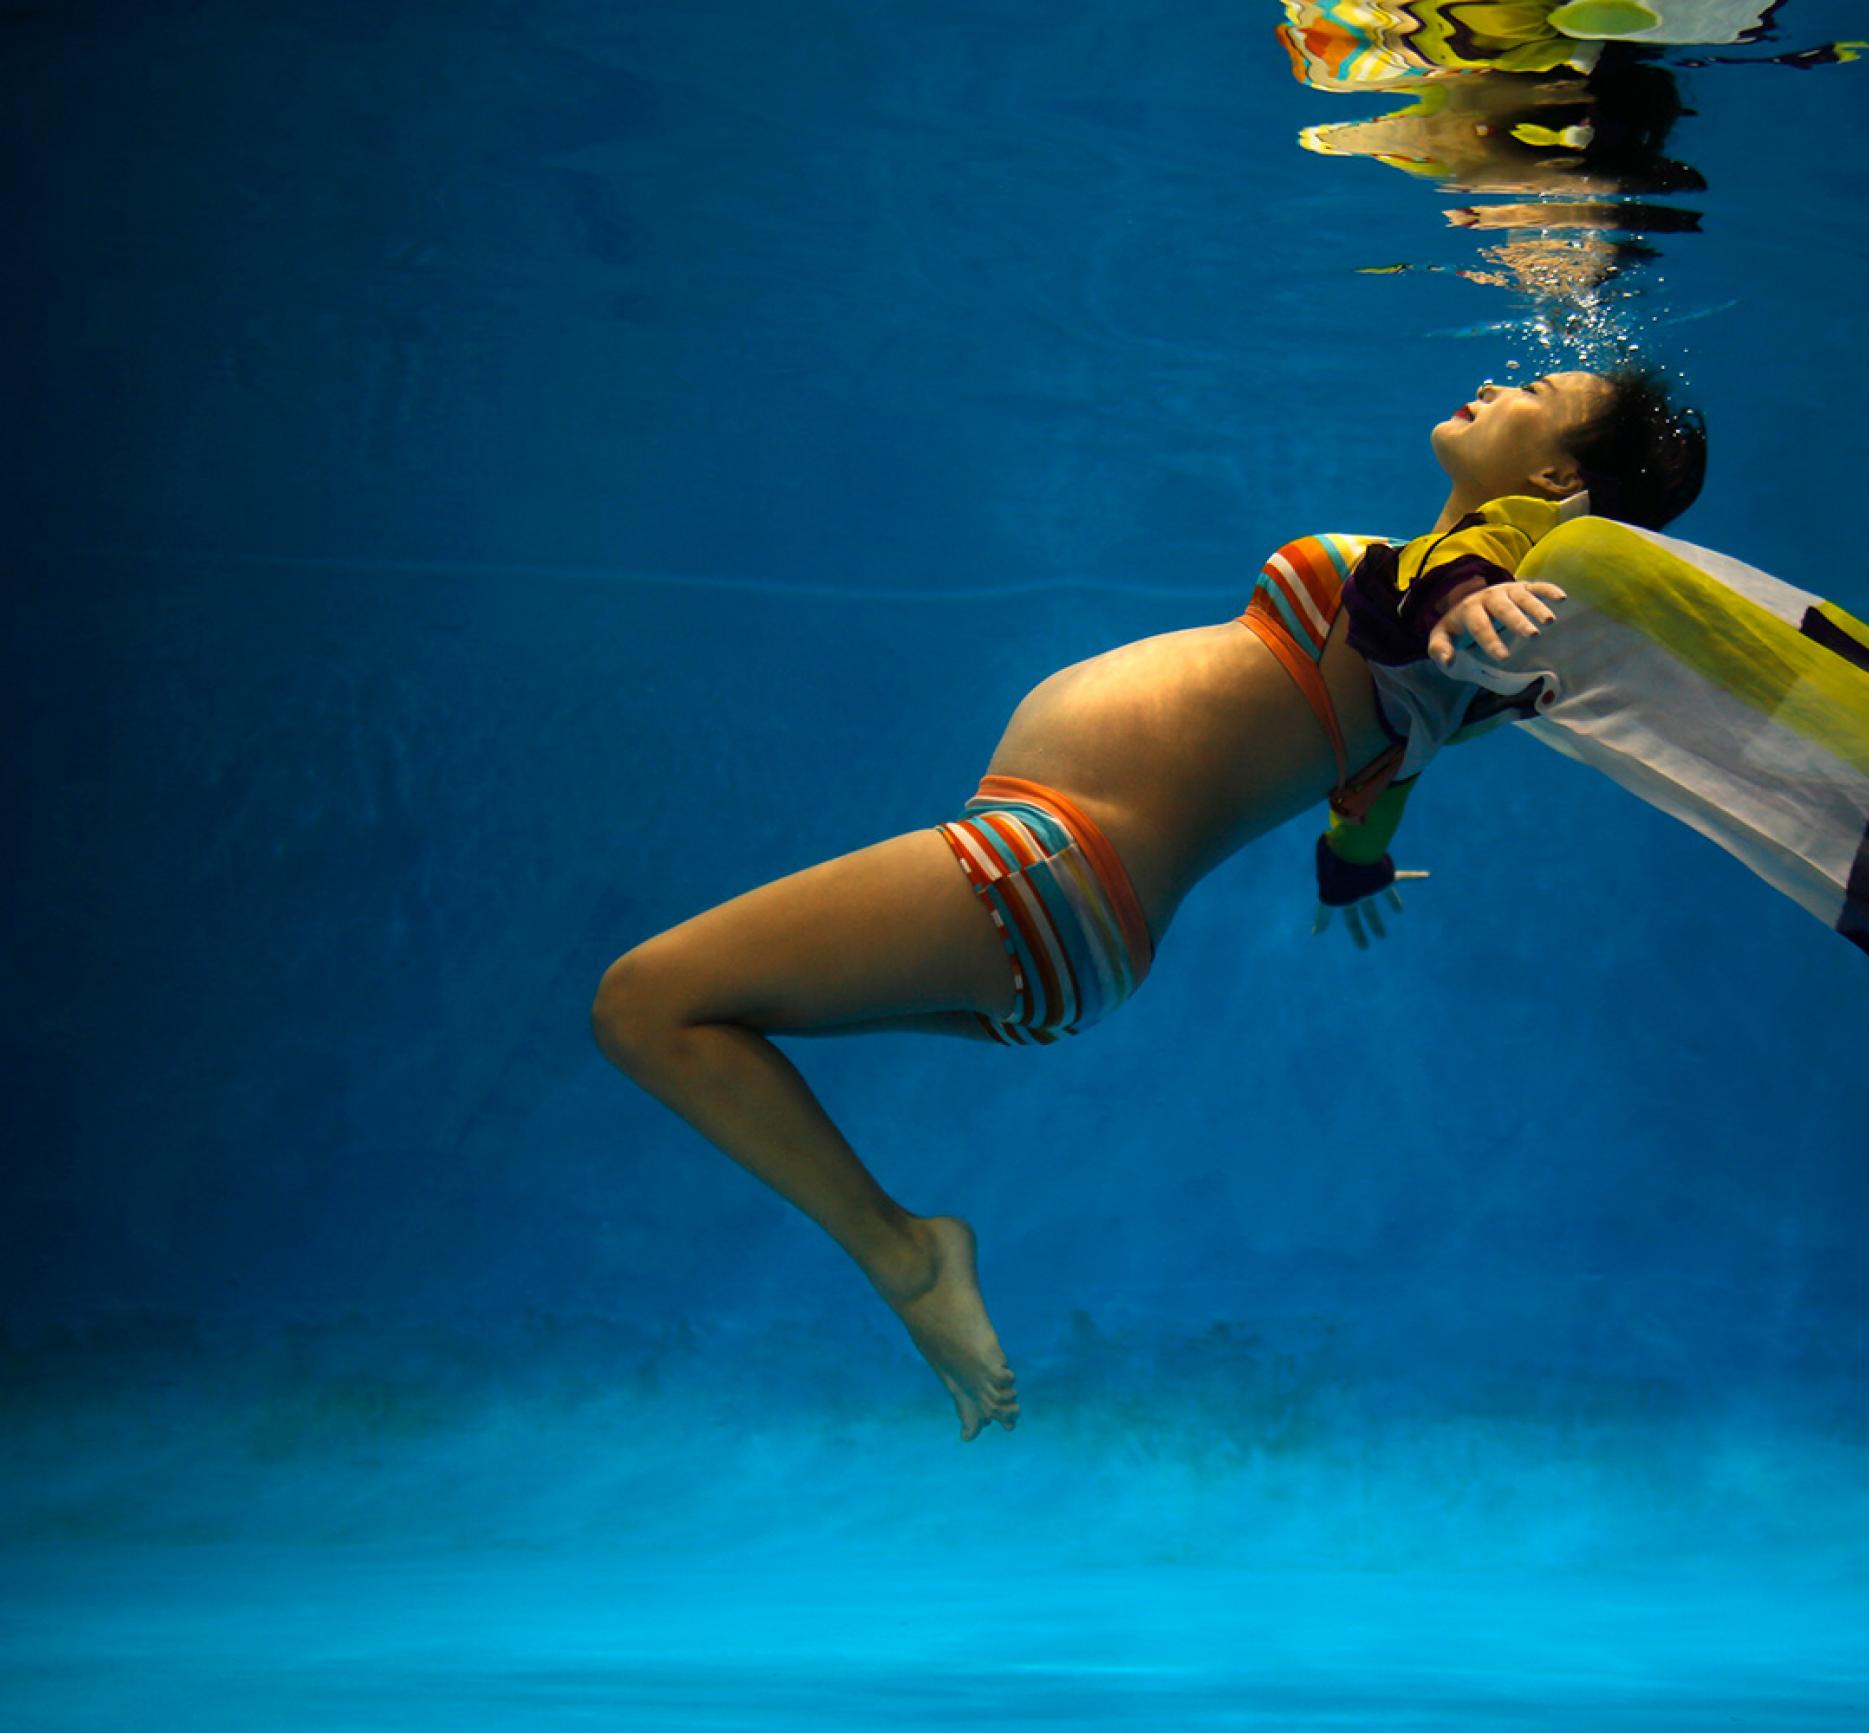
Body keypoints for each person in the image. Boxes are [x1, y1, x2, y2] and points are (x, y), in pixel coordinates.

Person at [590, 368, 1707, 1443]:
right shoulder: (1447, 671)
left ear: (1556, 480)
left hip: (1045, 867)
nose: (1500, 383)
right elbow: (1375, 789)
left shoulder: (1438, 590)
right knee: (710, 1014)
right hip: (1078, 930)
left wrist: (1473, 592)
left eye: (1537, 395)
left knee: (648, 1002)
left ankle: (904, 1254)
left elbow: (1417, 593)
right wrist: (1352, 869)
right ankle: (903, 1247)